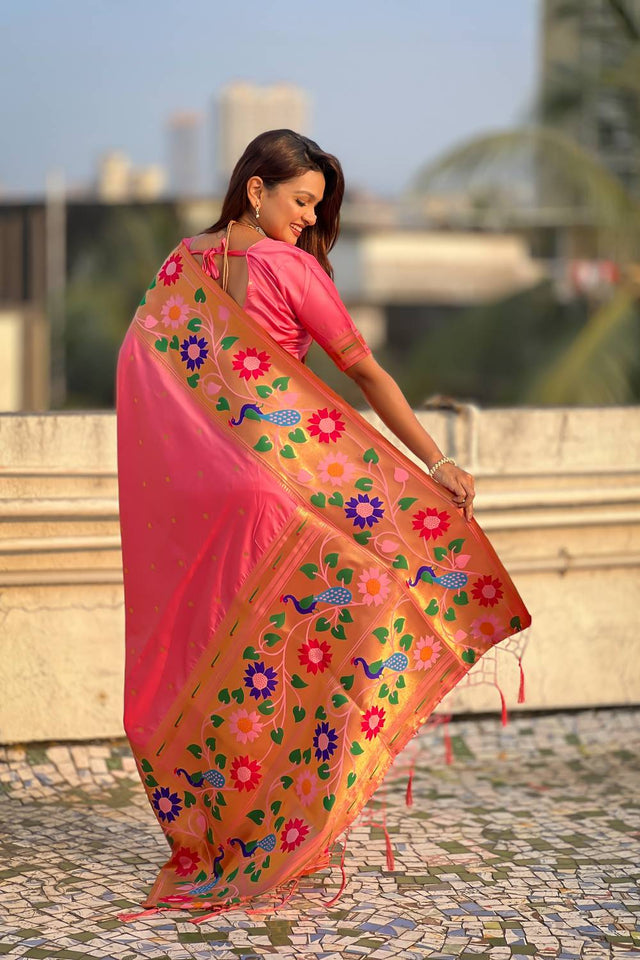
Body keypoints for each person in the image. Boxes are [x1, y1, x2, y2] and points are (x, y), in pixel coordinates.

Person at [116, 129, 530, 922]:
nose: (309, 219)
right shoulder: (290, 269)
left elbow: (142, 366)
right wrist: (436, 462)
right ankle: (289, 817)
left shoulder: (182, 264)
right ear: (256, 191)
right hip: (278, 489)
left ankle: (225, 829)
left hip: (203, 493)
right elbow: (366, 373)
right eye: (301, 201)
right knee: (348, 614)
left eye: (317, 206)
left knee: (220, 652)